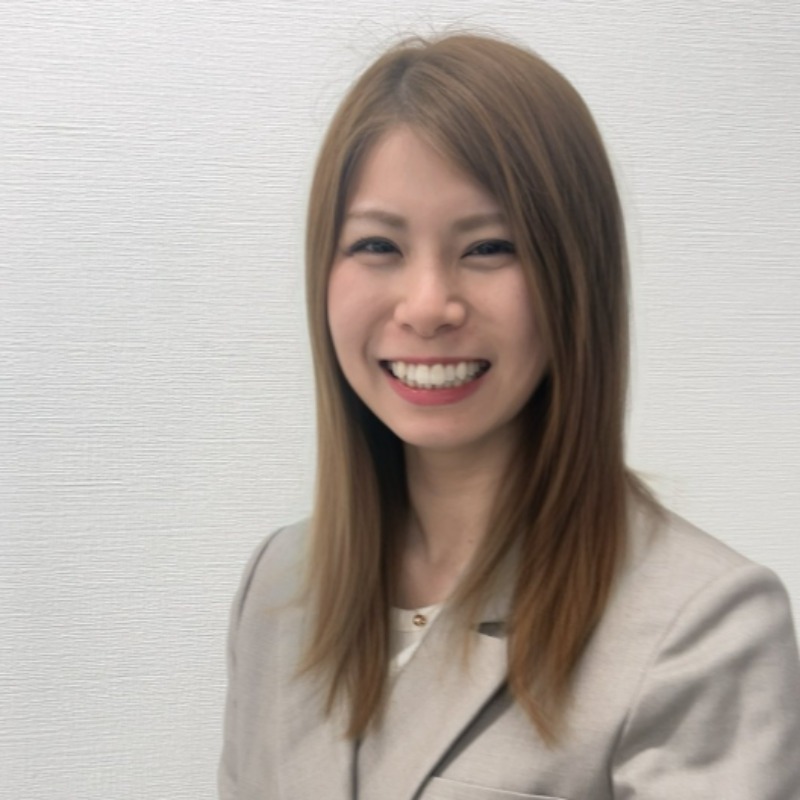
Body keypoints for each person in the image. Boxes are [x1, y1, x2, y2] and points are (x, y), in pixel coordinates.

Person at [219, 33, 800, 799]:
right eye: (378, 244)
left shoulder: (700, 626)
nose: (428, 306)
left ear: (575, 278)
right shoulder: (280, 586)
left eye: (489, 247)